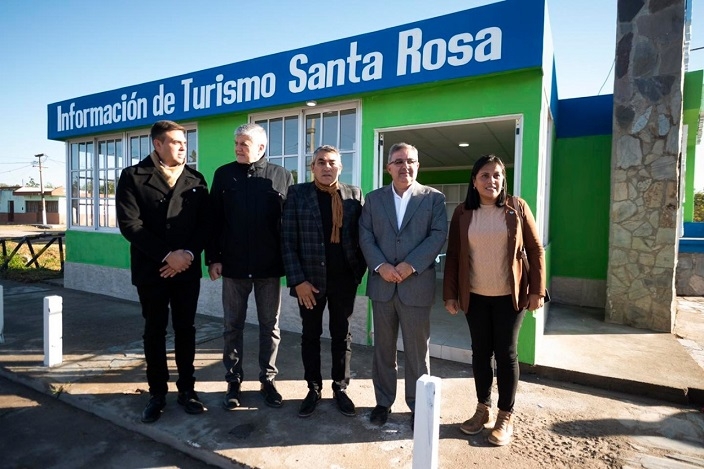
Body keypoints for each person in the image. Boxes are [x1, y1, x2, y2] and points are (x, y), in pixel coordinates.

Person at [443, 154, 546, 446]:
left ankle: (505, 415)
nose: (492, 180)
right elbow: (454, 255)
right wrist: (450, 294)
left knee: (506, 354)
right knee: (479, 353)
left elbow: (536, 250)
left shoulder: (517, 207)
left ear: (504, 179)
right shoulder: (463, 212)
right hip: (475, 296)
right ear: (474, 182)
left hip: (510, 297)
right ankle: (482, 408)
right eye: (485, 175)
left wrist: (537, 291)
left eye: (497, 175)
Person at [116, 120, 210, 423]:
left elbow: (204, 225)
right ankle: (157, 393)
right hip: (152, 270)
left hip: (186, 270)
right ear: (158, 144)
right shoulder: (133, 176)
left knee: (186, 330)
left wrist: (187, 255)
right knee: (154, 331)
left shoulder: (196, 179)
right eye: (176, 142)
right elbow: (130, 225)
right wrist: (168, 256)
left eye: (185, 142)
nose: (183, 147)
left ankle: (187, 390)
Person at [359, 142, 447, 428]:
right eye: (398, 161)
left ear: (418, 166)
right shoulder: (373, 199)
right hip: (382, 286)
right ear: (389, 167)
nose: (404, 166)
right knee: (383, 350)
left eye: (410, 161)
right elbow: (365, 236)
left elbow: (437, 235)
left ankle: (418, 406)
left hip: (416, 286)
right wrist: (381, 266)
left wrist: (410, 265)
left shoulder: (433, 198)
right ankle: (383, 402)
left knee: (417, 353)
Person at [207, 123, 293, 410]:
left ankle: (268, 381)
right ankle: (233, 382)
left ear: (261, 147)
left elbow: (287, 224)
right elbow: (214, 220)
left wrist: (290, 263)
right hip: (233, 267)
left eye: (244, 143)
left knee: (270, 328)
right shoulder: (223, 174)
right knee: (232, 327)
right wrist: (213, 258)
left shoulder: (281, 176)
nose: (238, 148)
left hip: (269, 268)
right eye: (236, 143)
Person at [281, 145, 366, 418]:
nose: (326, 167)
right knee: (310, 335)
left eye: (332, 162)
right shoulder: (298, 194)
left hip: (344, 280)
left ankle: (340, 387)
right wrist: (298, 281)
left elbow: (362, 236)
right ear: (312, 167)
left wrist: (358, 272)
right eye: (321, 162)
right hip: (310, 282)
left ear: (340, 167)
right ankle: (313, 388)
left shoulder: (354, 194)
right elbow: (287, 240)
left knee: (342, 335)